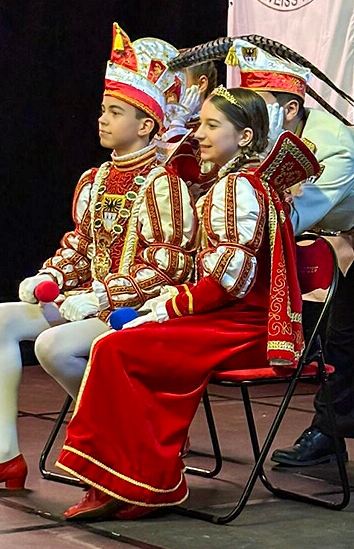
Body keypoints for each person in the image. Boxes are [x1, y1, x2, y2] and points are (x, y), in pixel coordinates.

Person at [178, 37, 354, 492]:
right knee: (346, 326)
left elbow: (277, 224)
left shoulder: (335, 151)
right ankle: (330, 432)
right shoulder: (260, 145)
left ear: (290, 109)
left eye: (259, 104)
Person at [0, 24, 197, 494]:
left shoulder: (165, 185)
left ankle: (127, 440)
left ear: (146, 125)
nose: (102, 119)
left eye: (115, 112)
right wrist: (52, 276)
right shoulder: (95, 179)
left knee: (53, 347)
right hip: (92, 304)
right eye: (103, 109)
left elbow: (169, 267)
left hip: (137, 313)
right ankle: (4, 454)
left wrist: (103, 296)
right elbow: (80, 246)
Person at [54, 87, 320, 521]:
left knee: (114, 348)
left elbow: (228, 282)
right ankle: (132, 475)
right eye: (200, 124)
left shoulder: (238, 187)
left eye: (212, 126)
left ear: (245, 137)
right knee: (117, 344)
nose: (198, 134)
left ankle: (145, 480)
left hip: (243, 328)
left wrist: (167, 308)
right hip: (225, 319)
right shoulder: (233, 183)